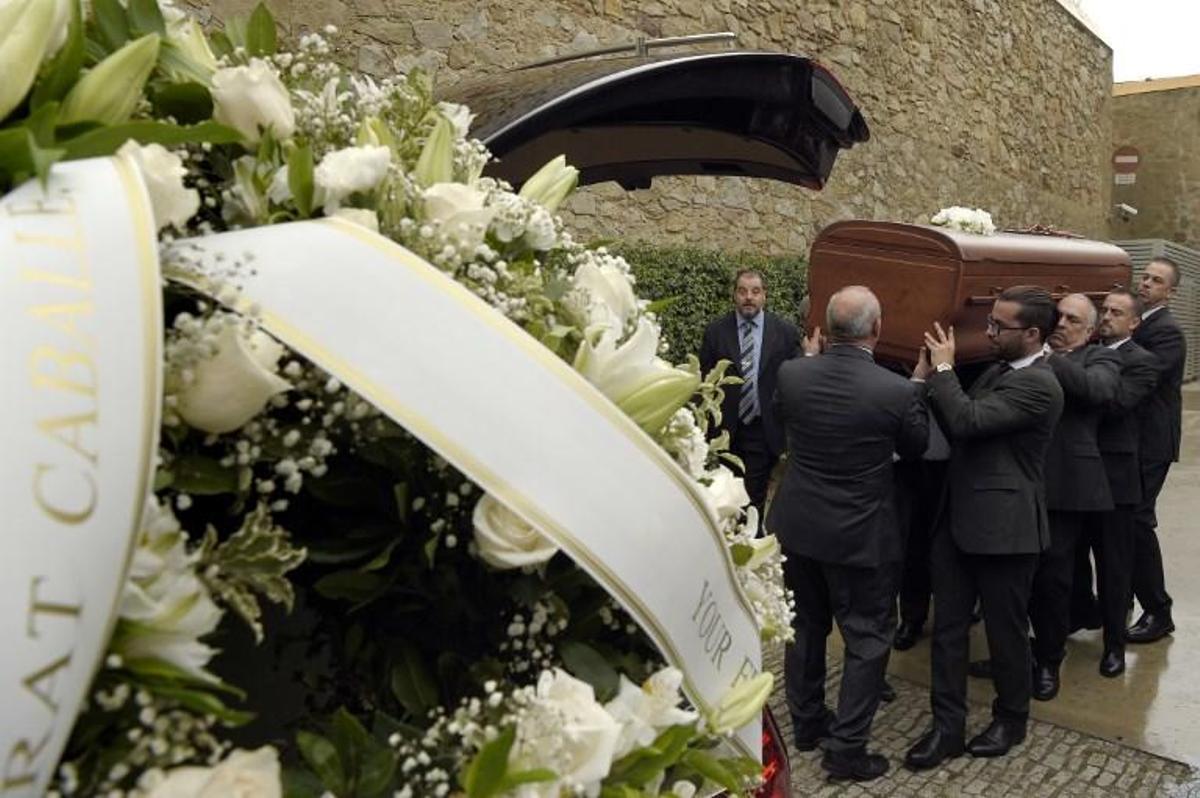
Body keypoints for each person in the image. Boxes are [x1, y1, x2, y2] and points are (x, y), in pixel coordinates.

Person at [768, 286, 928, 782]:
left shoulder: (792, 374)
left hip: (798, 528)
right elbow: (917, 446)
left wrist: (811, 361)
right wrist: (919, 385)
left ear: (827, 329)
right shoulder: (896, 390)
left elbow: (785, 415)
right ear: (877, 330)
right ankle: (846, 749)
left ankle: (809, 724)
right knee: (866, 638)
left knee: (806, 628)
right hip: (860, 538)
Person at [905, 286, 1064, 769]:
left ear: (1033, 334)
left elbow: (968, 420)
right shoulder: (996, 369)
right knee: (949, 631)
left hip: (1005, 531)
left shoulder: (1041, 384)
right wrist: (922, 377)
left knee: (1005, 634)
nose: (989, 331)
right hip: (957, 521)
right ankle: (946, 728)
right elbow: (950, 416)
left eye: (999, 326)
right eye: (990, 322)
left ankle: (1011, 720)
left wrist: (947, 369)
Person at [1025, 294, 1121, 700]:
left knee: (1053, 579)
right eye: (1058, 315)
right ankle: (1015, 655)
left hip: (1066, 486)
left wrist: (1049, 357)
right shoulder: (1026, 353)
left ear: (1091, 330)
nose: (1061, 323)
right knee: (1016, 578)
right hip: (1021, 480)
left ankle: (1049, 660)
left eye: (1072, 319)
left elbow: (1095, 391)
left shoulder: (1101, 360)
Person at [1093, 289, 1160, 676]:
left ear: (1134, 323)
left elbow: (1117, 404)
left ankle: (1114, 645)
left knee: (1114, 567)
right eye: (1104, 310)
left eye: (1116, 313)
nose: (1106, 317)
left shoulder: (1142, 363)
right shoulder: (1085, 351)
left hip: (1116, 479)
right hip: (1076, 473)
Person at [699, 269, 799, 521]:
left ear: (764, 295)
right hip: (725, 432)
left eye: (755, 291)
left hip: (761, 429)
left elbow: (791, 380)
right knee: (723, 495)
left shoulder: (784, 333)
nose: (748, 297)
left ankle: (749, 545)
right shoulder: (716, 332)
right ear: (734, 295)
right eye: (742, 291)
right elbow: (705, 380)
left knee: (752, 499)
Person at [1126, 257, 1187, 644]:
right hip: (1132, 440)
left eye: (1156, 280)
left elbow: (1140, 376)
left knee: (1137, 520)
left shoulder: (1167, 333)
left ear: (1171, 292)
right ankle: (1125, 598)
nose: (1146, 283)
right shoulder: (1140, 323)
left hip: (1152, 441)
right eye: (1144, 277)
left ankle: (1158, 610)